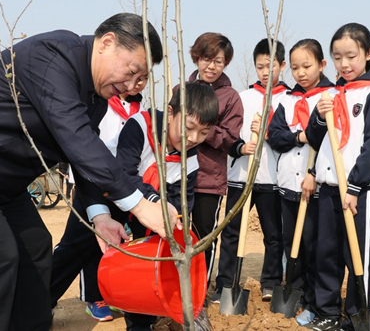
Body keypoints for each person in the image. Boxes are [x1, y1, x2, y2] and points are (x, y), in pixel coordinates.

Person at [0, 13, 180, 331]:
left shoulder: (95, 100)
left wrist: (100, 216)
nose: (131, 86)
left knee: (35, 250)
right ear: (107, 42)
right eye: (131, 72)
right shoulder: (53, 55)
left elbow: (83, 156)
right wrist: (141, 205)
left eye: (141, 80)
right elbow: (77, 139)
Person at [305, 23, 370, 331]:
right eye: (338, 57)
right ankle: (326, 310)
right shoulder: (330, 93)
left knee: (359, 257)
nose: (344, 64)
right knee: (326, 253)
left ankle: (359, 315)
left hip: (359, 192)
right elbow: (315, 139)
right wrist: (318, 115)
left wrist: (355, 186)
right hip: (329, 190)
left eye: (351, 56)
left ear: (368, 54)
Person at [115, 83, 218, 330]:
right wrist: (156, 202)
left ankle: (142, 321)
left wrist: (177, 226)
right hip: (111, 205)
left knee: (145, 269)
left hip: (151, 220)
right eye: (189, 128)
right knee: (75, 252)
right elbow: (123, 174)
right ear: (171, 113)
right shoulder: (140, 126)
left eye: (203, 133)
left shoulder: (189, 158)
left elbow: (181, 201)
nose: (194, 139)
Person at [51, 79, 147, 323]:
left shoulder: (139, 109)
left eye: (144, 78)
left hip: (121, 186)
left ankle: (100, 294)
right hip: (90, 183)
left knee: (108, 243)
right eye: (134, 75)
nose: (138, 83)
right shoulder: (102, 103)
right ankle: (43, 297)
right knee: (76, 245)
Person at [213, 38, 288, 303]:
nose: (266, 72)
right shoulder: (242, 98)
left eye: (271, 66)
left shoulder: (290, 100)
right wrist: (240, 147)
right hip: (240, 177)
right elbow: (228, 135)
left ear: (283, 65)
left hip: (273, 179)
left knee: (273, 234)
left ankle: (270, 282)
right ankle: (226, 283)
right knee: (232, 232)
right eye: (260, 66)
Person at [267, 38, 334, 325]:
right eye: (294, 68)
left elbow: (332, 141)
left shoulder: (331, 96)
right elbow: (276, 136)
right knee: (290, 243)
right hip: (287, 186)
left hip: (316, 188)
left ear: (321, 64)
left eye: (307, 66)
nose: (301, 73)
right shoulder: (285, 99)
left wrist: (314, 174)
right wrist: (300, 137)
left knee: (314, 247)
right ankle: (296, 293)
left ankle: (316, 303)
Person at [184, 32, 243, 288]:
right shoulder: (181, 91)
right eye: (207, 59)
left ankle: (199, 294)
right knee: (174, 236)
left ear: (225, 64)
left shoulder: (230, 98)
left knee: (203, 238)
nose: (211, 66)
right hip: (178, 176)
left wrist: (201, 127)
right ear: (197, 57)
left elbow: (230, 140)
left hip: (209, 180)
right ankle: (174, 291)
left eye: (218, 61)